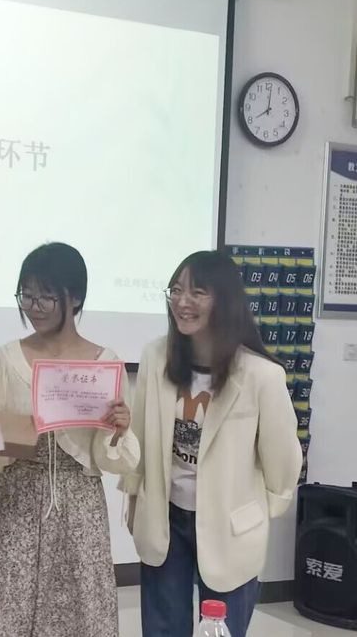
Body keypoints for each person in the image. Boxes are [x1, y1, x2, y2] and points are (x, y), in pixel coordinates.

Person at [121, 250, 303, 637]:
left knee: (222, 629)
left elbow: (283, 462)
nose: (182, 302)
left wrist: (256, 513)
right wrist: (134, 497)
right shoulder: (156, 356)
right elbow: (140, 434)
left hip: (229, 526)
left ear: (224, 300)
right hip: (166, 517)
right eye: (176, 290)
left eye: (197, 292)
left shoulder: (261, 375)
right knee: (163, 628)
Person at [0, 242, 139, 637]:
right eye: (26, 295)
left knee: (79, 615)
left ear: (74, 297)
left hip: (79, 503)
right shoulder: (4, 358)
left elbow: (112, 459)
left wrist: (119, 429)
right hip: (15, 496)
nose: (34, 306)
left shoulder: (105, 361)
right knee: (7, 612)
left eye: (46, 296)